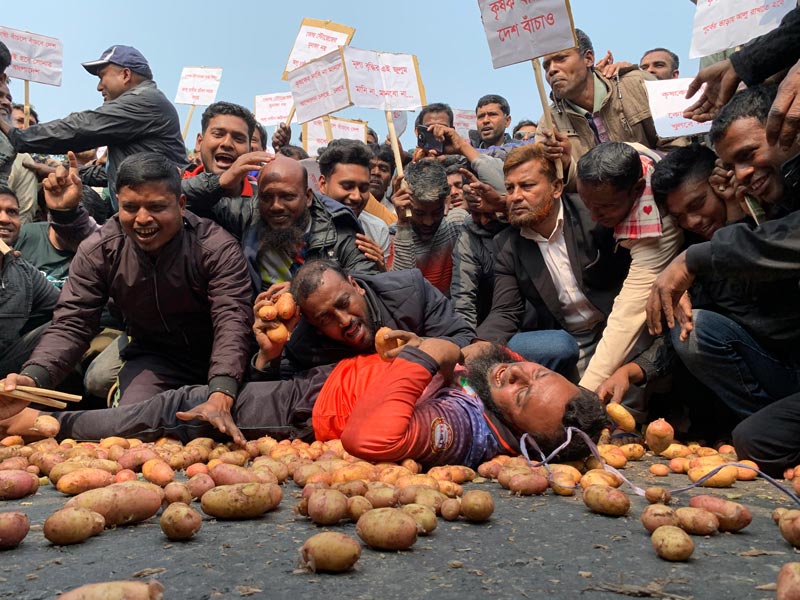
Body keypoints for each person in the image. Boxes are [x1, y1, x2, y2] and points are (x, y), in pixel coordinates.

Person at [0, 338, 608, 469]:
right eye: (531, 372)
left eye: (520, 389)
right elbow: (488, 355)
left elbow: (371, 442)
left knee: (180, 409)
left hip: (307, 412)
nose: (515, 371)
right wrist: (475, 361)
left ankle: (50, 421)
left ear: (522, 436)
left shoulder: (462, 432)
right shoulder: (493, 396)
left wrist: (427, 357)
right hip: (326, 380)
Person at [3, 152, 254, 408]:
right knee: (132, 423)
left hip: (218, 353)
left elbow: (231, 320)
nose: (142, 219)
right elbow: (73, 322)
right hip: (155, 355)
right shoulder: (99, 250)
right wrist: (33, 380)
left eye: (156, 207)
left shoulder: (215, 248)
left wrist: (222, 389)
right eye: (130, 208)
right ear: (118, 204)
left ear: (180, 204)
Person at [474, 144, 630, 378]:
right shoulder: (507, 244)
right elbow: (506, 311)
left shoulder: (593, 217)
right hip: (568, 341)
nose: (515, 196)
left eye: (526, 186)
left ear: (556, 187)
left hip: (617, 328)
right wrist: (476, 348)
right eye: (510, 188)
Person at [0, 45, 187, 209]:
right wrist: (62, 170)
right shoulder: (145, 105)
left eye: (102, 76)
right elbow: (113, 172)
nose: (99, 87)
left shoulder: (145, 101)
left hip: (158, 215)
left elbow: (81, 127)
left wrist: (17, 135)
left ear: (126, 74)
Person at [187, 154, 380, 295]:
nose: (276, 206)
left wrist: (304, 292)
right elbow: (174, 201)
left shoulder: (340, 233)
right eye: (267, 197)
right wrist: (220, 182)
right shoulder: (246, 215)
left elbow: (367, 290)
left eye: (288, 196)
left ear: (308, 197)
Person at [575, 142, 683, 392]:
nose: (593, 216)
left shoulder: (661, 227)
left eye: (605, 207)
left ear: (637, 189)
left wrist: (586, 390)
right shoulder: (626, 151)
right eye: (587, 203)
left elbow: (627, 317)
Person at [255, 259, 475, 376]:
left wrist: (425, 348)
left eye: (344, 303)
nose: (344, 320)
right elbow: (279, 398)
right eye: (326, 319)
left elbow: (466, 339)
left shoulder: (411, 291)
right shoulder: (302, 343)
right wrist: (268, 357)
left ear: (355, 286)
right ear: (315, 326)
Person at [538, 29, 685, 190]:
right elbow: (554, 187)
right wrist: (566, 167)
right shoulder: (549, 123)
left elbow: (678, 147)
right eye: (546, 66)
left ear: (588, 58)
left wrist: (644, 167)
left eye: (561, 58)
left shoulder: (639, 84)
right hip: (601, 211)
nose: (552, 70)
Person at [0, 185, 60, 377]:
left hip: (5, 371)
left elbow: (67, 307)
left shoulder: (21, 270)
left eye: (12, 212)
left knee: (70, 322)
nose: (4, 219)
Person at [389, 159, 466, 295]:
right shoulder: (392, 236)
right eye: (419, 213)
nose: (428, 222)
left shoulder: (457, 224)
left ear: (446, 201)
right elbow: (402, 292)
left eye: (436, 212)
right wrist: (403, 224)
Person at [318, 140, 390, 266]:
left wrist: (381, 271)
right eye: (347, 186)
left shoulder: (378, 230)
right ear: (323, 184)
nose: (356, 197)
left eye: (363, 188)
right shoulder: (304, 226)